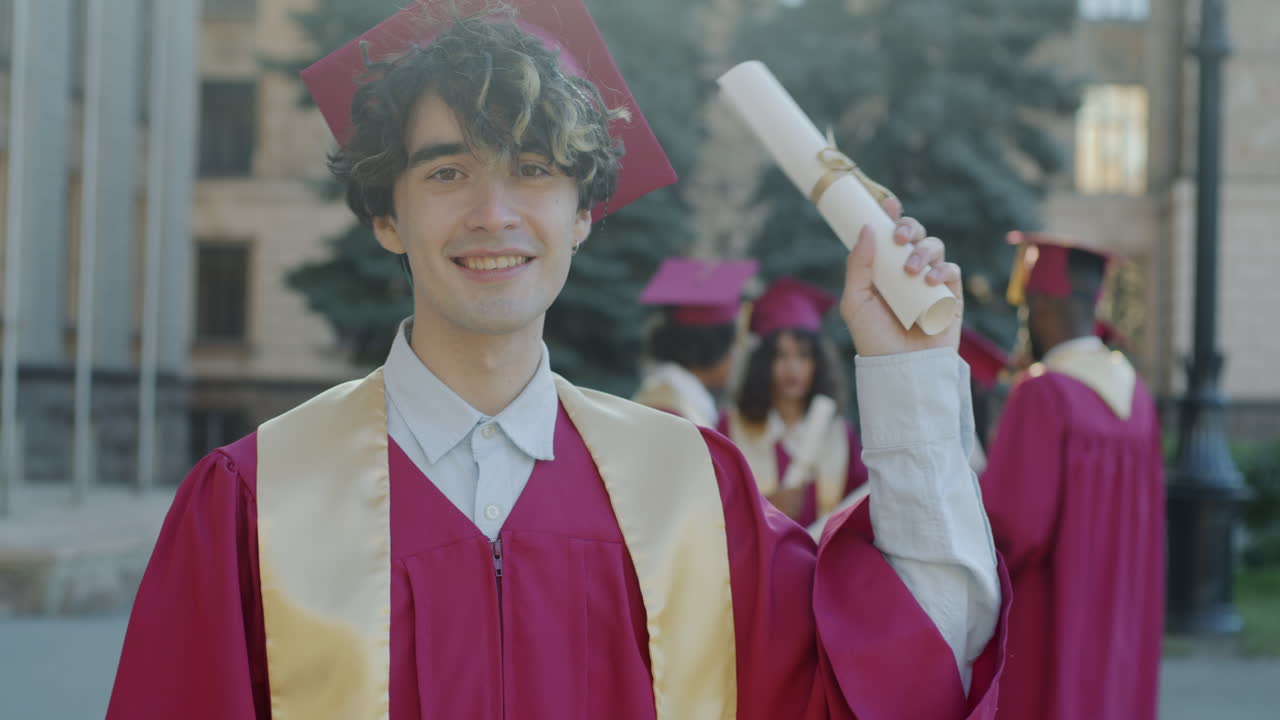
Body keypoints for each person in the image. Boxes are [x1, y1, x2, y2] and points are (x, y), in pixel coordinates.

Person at [107, 2, 1008, 718]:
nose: (494, 213)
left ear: (583, 214)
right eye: (448, 172)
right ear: (387, 217)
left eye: (534, 168)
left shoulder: (690, 492)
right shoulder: (257, 502)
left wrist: (910, 375)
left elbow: (912, 665)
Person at [980, 231, 1165, 720]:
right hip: (1121, 617)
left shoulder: (1043, 394)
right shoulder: (1138, 397)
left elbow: (1013, 529)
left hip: (1053, 618)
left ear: (1041, 306)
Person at [718, 277, 869, 526]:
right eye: (780, 356)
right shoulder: (729, 428)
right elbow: (714, 511)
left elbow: (861, 513)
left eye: (804, 356)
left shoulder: (840, 435)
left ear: (818, 363)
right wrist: (765, 508)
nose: (793, 368)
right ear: (763, 363)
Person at [632, 257, 758, 426]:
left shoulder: (672, 395)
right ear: (713, 347)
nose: (734, 357)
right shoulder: (671, 411)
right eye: (733, 346)